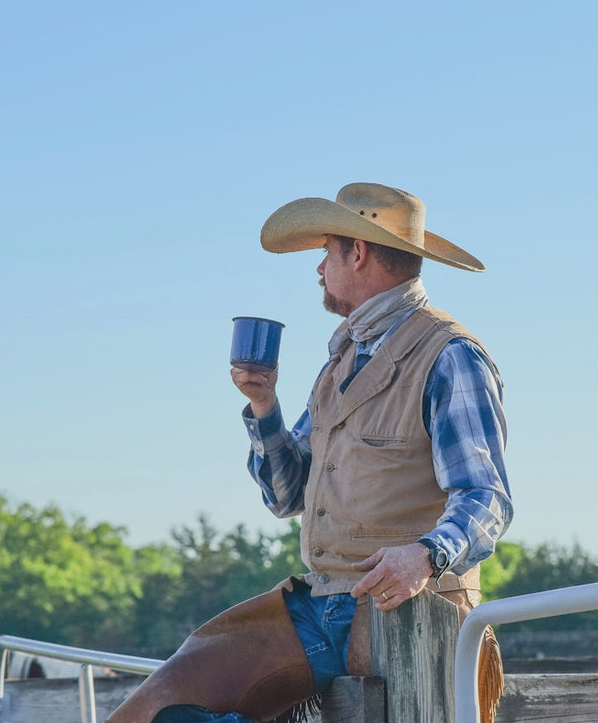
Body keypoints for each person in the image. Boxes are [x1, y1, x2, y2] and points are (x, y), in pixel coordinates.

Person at [106, 183, 513, 723]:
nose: (319, 269)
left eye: (327, 252)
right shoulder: (340, 360)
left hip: (412, 614)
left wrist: (425, 554)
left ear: (359, 253)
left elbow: (488, 498)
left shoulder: (451, 355)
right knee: (149, 713)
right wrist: (264, 406)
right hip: (320, 608)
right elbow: (287, 495)